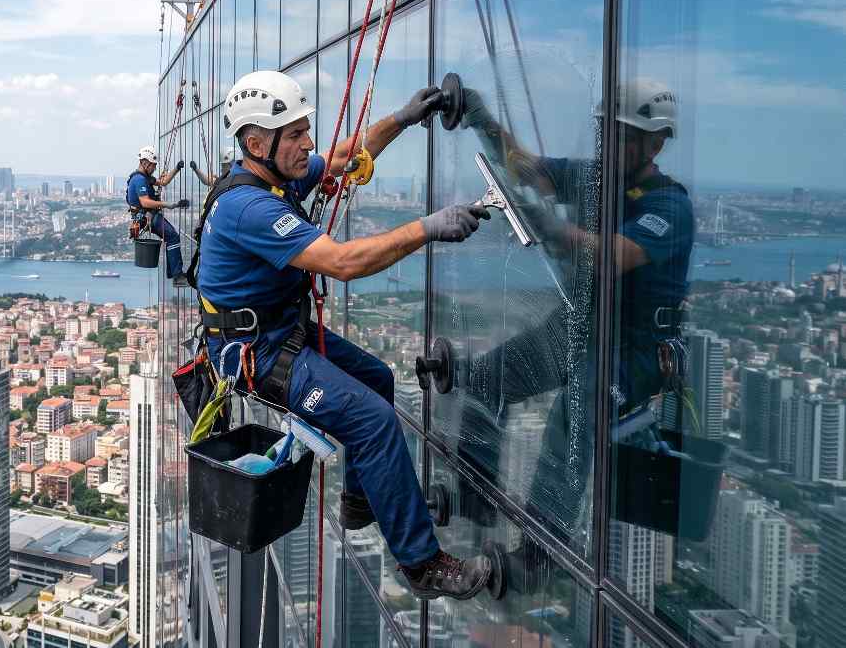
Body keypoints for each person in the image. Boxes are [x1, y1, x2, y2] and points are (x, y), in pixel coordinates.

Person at [196, 69, 496, 600]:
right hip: (259, 354)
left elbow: (342, 157)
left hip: (279, 334)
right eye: (295, 134)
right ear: (257, 144)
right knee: (373, 421)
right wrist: (427, 228)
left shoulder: (271, 177)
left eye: (304, 131)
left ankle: (359, 501)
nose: (307, 143)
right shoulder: (251, 207)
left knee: (378, 379)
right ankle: (422, 564)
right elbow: (343, 262)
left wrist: (402, 119)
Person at [450, 77, 691, 584]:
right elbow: (527, 169)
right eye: (606, 132)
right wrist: (480, 118)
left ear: (655, 144)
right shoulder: (594, 177)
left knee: (576, 409)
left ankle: (541, 555)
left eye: (622, 135)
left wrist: (550, 227)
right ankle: (476, 500)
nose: (609, 144)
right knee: (486, 378)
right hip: (582, 326)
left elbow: (612, 254)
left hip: (634, 349)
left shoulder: (669, 206)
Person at [127, 146, 191, 286]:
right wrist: (168, 204)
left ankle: (176, 274)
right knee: (172, 236)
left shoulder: (145, 178)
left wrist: (176, 169)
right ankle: (177, 276)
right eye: (153, 165)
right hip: (146, 216)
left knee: (171, 236)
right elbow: (145, 202)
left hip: (147, 215)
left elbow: (163, 182)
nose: (155, 168)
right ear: (145, 163)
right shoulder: (139, 180)